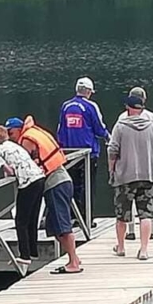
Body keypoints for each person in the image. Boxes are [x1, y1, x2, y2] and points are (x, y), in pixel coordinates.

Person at [6, 116, 81, 274]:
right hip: (60, 181)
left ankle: (74, 263)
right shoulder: (34, 133)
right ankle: (74, 258)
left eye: (11, 133)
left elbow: (27, 165)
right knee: (54, 227)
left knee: (63, 227)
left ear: (19, 130)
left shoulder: (27, 140)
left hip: (56, 184)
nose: (10, 137)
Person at [108, 91, 153, 260]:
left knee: (122, 214)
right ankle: (144, 250)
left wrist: (112, 170)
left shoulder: (120, 125)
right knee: (146, 214)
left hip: (125, 176)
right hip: (148, 176)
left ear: (128, 107)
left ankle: (121, 247)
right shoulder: (152, 125)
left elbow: (112, 150)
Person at [57, 77, 110, 226]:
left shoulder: (65, 106)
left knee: (72, 185)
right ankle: (87, 219)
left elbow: (60, 130)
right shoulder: (91, 106)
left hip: (69, 153)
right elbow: (99, 128)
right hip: (88, 153)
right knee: (88, 186)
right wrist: (108, 137)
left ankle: (72, 217)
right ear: (88, 91)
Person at [0, 124, 46, 264]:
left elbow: (8, 170)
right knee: (33, 217)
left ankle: (24, 255)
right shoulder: (17, 146)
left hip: (27, 182)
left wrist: (9, 174)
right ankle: (33, 251)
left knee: (20, 221)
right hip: (39, 178)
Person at [120, 87, 153, 241]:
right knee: (148, 203)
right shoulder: (151, 117)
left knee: (127, 201)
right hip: (148, 169)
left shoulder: (122, 118)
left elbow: (115, 145)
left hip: (127, 170)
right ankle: (151, 232)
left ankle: (130, 231)